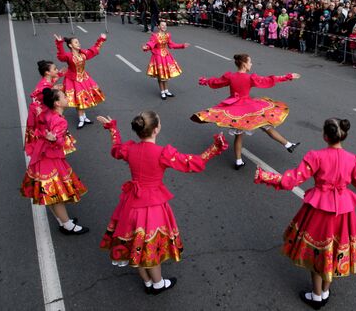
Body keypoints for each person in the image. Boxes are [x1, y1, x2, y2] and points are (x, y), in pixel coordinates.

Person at [254, 118, 356, 308]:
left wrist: (265, 176)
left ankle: (316, 294)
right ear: (343, 136)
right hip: (343, 213)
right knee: (333, 250)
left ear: (325, 136)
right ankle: (325, 291)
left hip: (318, 211)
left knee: (317, 252)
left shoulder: (316, 156)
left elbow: (291, 180)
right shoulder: (353, 159)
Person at [97, 112, 228, 294]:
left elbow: (116, 149)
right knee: (150, 247)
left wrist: (112, 129)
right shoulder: (162, 153)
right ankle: (158, 284)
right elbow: (193, 163)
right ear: (156, 129)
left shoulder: (130, 149)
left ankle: (147, 282)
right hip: (152, 206)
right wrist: (214, 148)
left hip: (130, 204)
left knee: (135, 244)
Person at [191, 54, 301, 169]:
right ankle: (288, 145)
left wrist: (205, 81)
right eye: (250, 62)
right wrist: (288, 76)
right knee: (266, 126)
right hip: (249, 108)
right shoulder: (249, 78)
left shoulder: (231, 77)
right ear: (244, 64)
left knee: (239, 135)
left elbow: (216, 82)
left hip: (235, 109)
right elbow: (268, 80)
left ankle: (239, 161)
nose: (251, 64)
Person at [21, 88, 89, 235]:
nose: (67, 97)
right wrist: (54, 139)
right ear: (57, 103)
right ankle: (67, 225)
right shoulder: (59, 121)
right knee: (56, 195)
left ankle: (62, 220)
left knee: (51, 194)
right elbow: (57, 141)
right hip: (50, 159)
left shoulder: (46, 113)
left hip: (42, 156)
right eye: (64, 96)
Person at [55, 33, 107, 129]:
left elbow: (94, 50)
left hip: (84, 78)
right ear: (70, 45)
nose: (78, 44)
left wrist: (101, 40)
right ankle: (81, 118)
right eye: (76, 42)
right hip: (73, 80)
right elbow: (61, 56)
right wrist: (59, 43)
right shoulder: (68, 56)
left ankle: (84, 117)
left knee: (83, 98)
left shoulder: (83, 54)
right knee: (78, 99)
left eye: (78, 42)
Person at [24, 60, 65, 155]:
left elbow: (51, 83)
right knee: (44, 134)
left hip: (43, 110)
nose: (57, 70)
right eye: (55, 69)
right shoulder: (44, 87)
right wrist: (54, 90)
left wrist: (59, 74)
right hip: (41, 114)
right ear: (47, 72)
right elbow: (45, 90)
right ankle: (44, 152)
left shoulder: (47, 81)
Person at [141, 21, 190, 99]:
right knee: (160, 75)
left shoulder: (168, 35)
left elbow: (171, 45)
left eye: (165, 25)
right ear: (159, 27)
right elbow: (151, 43)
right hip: (158, 57)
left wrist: (182, 45)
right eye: (162, 25)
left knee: (166, 75)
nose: (164, 26)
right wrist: (146, 47)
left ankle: (166, 90)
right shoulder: (155, 36)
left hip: (166, 56)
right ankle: (162, 92)